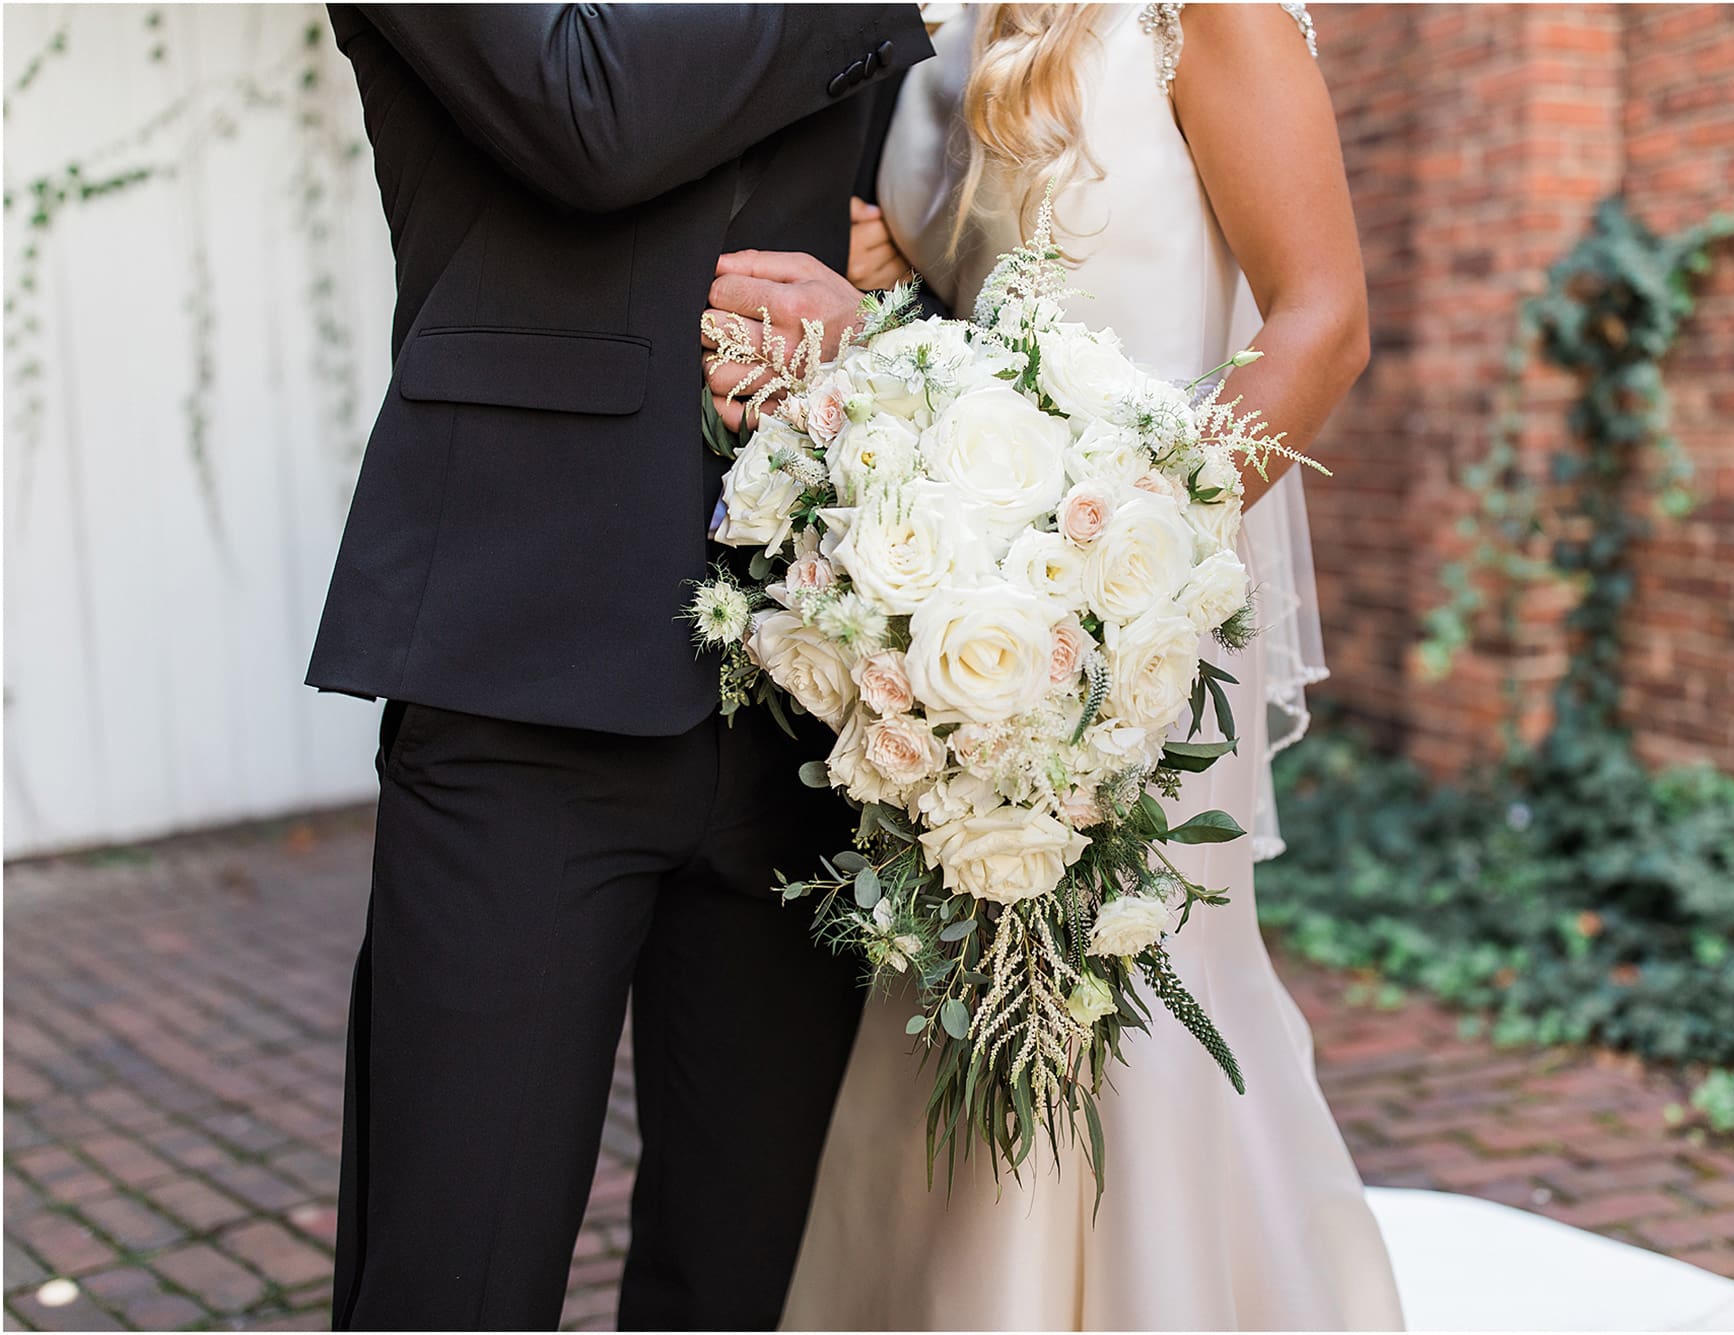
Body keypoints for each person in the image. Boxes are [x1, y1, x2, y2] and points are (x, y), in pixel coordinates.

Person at [700, 4, 1405, 1328]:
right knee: (964, 997)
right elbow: (986, 341)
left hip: (1133, 620)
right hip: (964, 620)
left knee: (1137, 1000)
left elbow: (1324, 322)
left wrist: (1103, 590)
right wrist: (879, 319)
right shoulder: (949, 30)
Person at [306, 6, 932, 1328]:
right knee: (451, 1272)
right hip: (521, 660)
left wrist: (876, 304)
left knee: (742, 1271)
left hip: (801, 677)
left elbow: (887, 218)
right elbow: (591, 114)